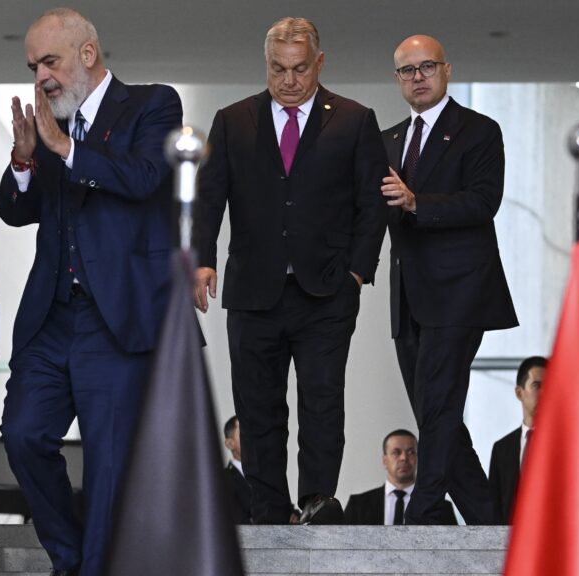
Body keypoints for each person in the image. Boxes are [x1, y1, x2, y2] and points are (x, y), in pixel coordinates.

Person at [0, 8, 182, 576]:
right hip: (52, 318)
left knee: (108, 463)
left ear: (86, 53)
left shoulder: (153, 104)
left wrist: (66, 150)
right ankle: (71, 557)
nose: (40, 77)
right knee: (23, 435)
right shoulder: (52, 124)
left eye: (48, 61)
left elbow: (148, 178)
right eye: (32, 66)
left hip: (117, 317)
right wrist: (26, 158)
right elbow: (14, 210)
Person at [193, 17, 388, 526]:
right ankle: (268, 508)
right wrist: (203, 260)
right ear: (266, 65)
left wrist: (358, 273)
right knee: (258, 407)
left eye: (300, 69)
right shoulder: (233, 120)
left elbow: (372, 204)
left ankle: (318, 499)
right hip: (253, 290)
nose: (289, 80)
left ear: (319, 63)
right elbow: (209, 198)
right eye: (278, 69)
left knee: (322, 400)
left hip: (326, 290)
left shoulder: (353, 119)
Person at [381, 34, 518, 525]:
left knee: (438, 402)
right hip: (407, 299)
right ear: (397, 79)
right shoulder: (389, 139)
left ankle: (425, 510)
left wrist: (418, 202)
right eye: (407, 71)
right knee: (436, 413)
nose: (417, 77)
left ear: (446, 70)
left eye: (426, 67)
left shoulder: (479, 130)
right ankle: (486, 518)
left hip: (459, 293)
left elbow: (484, 202)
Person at [343, 429, 456, 525]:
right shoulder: (358, 505)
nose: (404, 458)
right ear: (384, 460)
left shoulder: (440, 508)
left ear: (419, 458)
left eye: (411, 452)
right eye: (396, 452)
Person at [488, 355, 545, 524]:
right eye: (537, 386)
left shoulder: (568, 445)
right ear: (519, 393)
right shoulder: (502, 449)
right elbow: (495, 505)